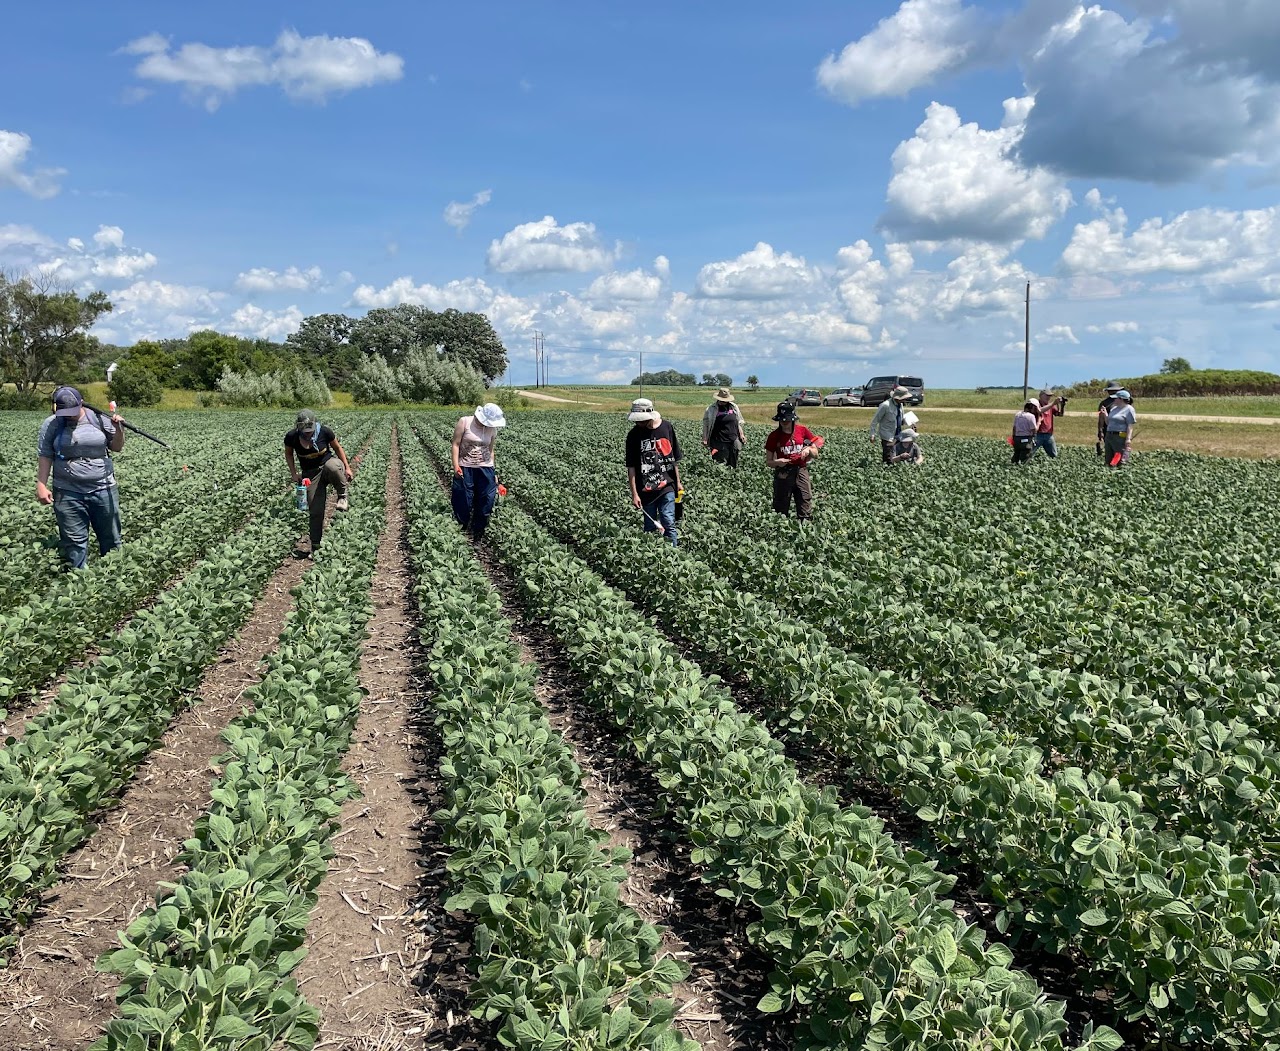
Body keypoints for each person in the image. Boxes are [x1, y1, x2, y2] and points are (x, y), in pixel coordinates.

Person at [35, 385, 125, 570]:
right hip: (67, 492)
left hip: (103, 487)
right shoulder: (52, 424)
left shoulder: (98, 418)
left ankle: (113, 579)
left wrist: (118, 429)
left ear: (81, 403)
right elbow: (45, 454)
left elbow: (117, 447)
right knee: (74, 542)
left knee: (111, 538)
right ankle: (80, 584)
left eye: (73, 411)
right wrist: (41, 485)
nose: (69, 415)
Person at [284, 409, 353, 556]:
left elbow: (337, 448)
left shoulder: (324, 432)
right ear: (298, 426)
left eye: (310, 430)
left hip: (328, 465)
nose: (308, 433)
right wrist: (294, 473)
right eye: (305, 430)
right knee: (315, 510)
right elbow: (289, 454)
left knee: (333, 466)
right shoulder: (292, 437)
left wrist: (347, 468)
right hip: (311, 473)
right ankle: (316, 546)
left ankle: (342, 496)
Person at [625, 398, 682, 546]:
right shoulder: (633, 435)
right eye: (637, 421)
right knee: (649, 527)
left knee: (668, 521)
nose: (638, 424)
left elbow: (673, 458)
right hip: (645, 487)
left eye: (641, 421)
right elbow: (631, 467)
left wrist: (678, 482)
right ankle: (651, 556)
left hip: (667, 483)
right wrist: (634, 494)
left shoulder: (667, 427)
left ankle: (674, 555)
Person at [451, 402, 506, 540]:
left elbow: (490, 451)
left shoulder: (492, 429)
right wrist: (456, 466)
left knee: (486, 500)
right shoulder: (465, 422)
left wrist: (494, 472)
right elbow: (455, 444)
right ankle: (461, 531)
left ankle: (478, 534)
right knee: (464, 500)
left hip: (486, 468)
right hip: (466, 467)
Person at [764, 401, 823, 518]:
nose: (784, 422)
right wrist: (778, 462)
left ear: (793, 419)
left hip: (801, 470)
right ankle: (781, 530)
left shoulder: (803, 431)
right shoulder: (774, 436)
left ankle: (805, 527)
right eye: (782, 420)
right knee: (780, 506)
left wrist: (809, 450)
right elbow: (768, 462)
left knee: (805, 501)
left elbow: (816, 454)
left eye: (786, 420)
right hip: (783, 473)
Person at [701, 387, 746, 467]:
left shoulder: (734, 407)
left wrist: (742, 434)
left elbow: (738, 422)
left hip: (733, 439)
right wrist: (705, 438)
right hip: (718, 440)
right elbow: (706, 424)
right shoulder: (711, 409)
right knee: (720, 463)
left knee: (734, 462)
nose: (723, 402)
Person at [869, 385, 913, 463]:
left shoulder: (900, 405)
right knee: (889, 459)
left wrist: (911, 422)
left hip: (898, 435)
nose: (905, 400)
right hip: (887, 436)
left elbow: (901, 419)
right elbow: (874, 421)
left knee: (897, 457)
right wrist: (872, 434)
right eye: (904, 398)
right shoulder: (885, 405)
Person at [1103, 389, 1137, 467]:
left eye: (1116, 398)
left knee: (1118, 457)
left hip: (1120, 437)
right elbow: (1108, 423)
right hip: (1109, 435)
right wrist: (1105, 414)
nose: (1114, 400)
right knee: (1108, 458)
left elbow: (1130, 425)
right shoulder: (1113, 409)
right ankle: (1109, 471)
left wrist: (1128, 439)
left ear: (1121, 399)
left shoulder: (1129, 409)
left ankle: (1118, 472)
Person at [1034, 389, 1067, 458]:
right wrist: (1053, 403)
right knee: (1030, 453)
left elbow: (1060, 414)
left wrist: (1062, 405)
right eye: (1047, 395)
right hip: (1038, 434)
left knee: (1054, 455)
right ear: (1041, 395)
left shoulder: (1051, 406)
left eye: (1050, 396)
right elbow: (1039, 410)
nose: (1048, 397)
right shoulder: (1036, 404)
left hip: (1048, 435)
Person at [1096, 382, 1124, 457]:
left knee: (1113, 450)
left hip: (1113, 430)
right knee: (1117, 450)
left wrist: (1100, 431)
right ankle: (1115, 463)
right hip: (1113, 430)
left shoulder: (1104, 403)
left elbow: (1101, 419)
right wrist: (1100, 431)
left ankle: (1114, 463)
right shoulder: (1122, 402)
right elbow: (1101, 418)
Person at [1011, 399, 1041, 464]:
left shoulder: (1018, 414)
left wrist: (1014, 438)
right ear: (1032, 407)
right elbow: (1034, 430)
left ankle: (1013, 466)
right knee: (1025, 458)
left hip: (1017, 438)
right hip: (1026, 440)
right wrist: (1039, 422)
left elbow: (1014, 428)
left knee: (1016, 454)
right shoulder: (1031, 416)